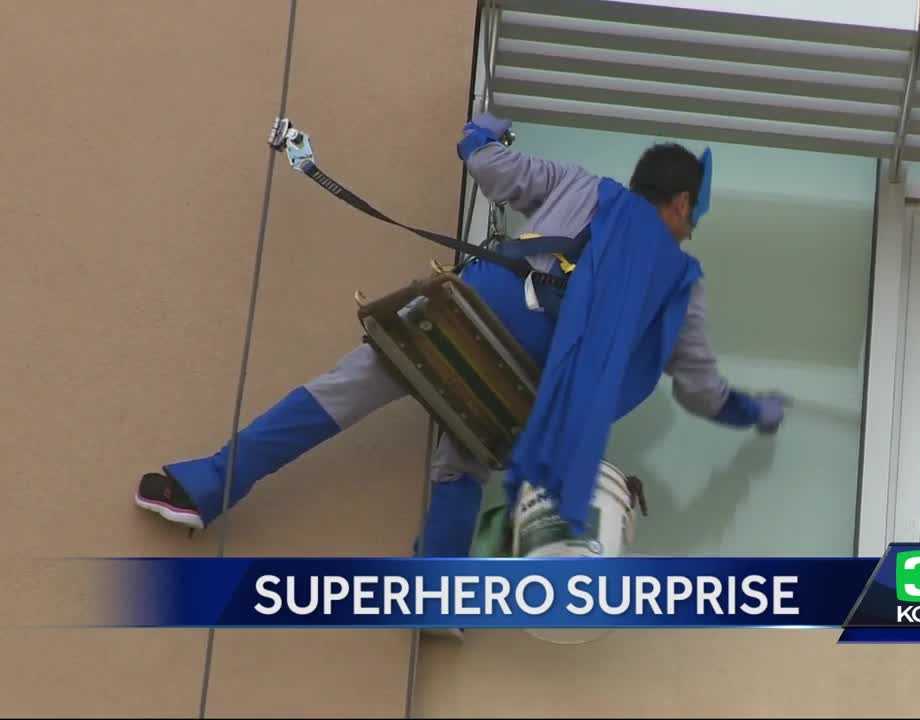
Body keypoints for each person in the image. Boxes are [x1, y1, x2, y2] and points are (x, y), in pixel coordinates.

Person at [134, 112, 789, 558]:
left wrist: (484, 130)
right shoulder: (682, 284)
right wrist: (756, 412)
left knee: (341, 392)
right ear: (678, 204)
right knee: (467, 455)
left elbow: (485, 165)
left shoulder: (582, 188)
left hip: (473, 325)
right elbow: (701, 388)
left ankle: (205, 487)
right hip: (532, 398)